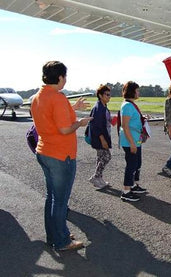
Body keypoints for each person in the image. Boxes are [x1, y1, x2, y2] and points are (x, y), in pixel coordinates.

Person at [31, 61, 92, 251]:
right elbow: (65, 128)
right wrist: (80, 123)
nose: (65, 80)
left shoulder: (38, 97)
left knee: (52, 197)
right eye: (65, 76)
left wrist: (72, 107)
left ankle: (55, 235)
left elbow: (51, 117)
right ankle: (62, 240)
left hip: (44, 152)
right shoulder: (57, 98)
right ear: (59, 77)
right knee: (60, 200)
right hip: (60, 155)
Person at [119, 81, 147, 201]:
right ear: (132, 91)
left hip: (136, 140)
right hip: (131, 141)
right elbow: (125, 126)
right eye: (137, 90)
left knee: (137, 163)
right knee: (131, 165)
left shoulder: (131, 105)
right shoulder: (127, 106)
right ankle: (126, 191)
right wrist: (132, 143)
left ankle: (134, 185)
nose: (138, 92)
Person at [88, 84, 112, 189]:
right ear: (100, 95)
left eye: (109, 95)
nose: (109, 96)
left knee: (100, 157)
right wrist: (103, 140)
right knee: (107, 157)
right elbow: (96, 126)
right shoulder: (98, 108)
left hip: (103, 136)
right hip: (99, 138)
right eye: (106, 94)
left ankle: (99, 179)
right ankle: (96, 177)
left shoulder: (103, 106)